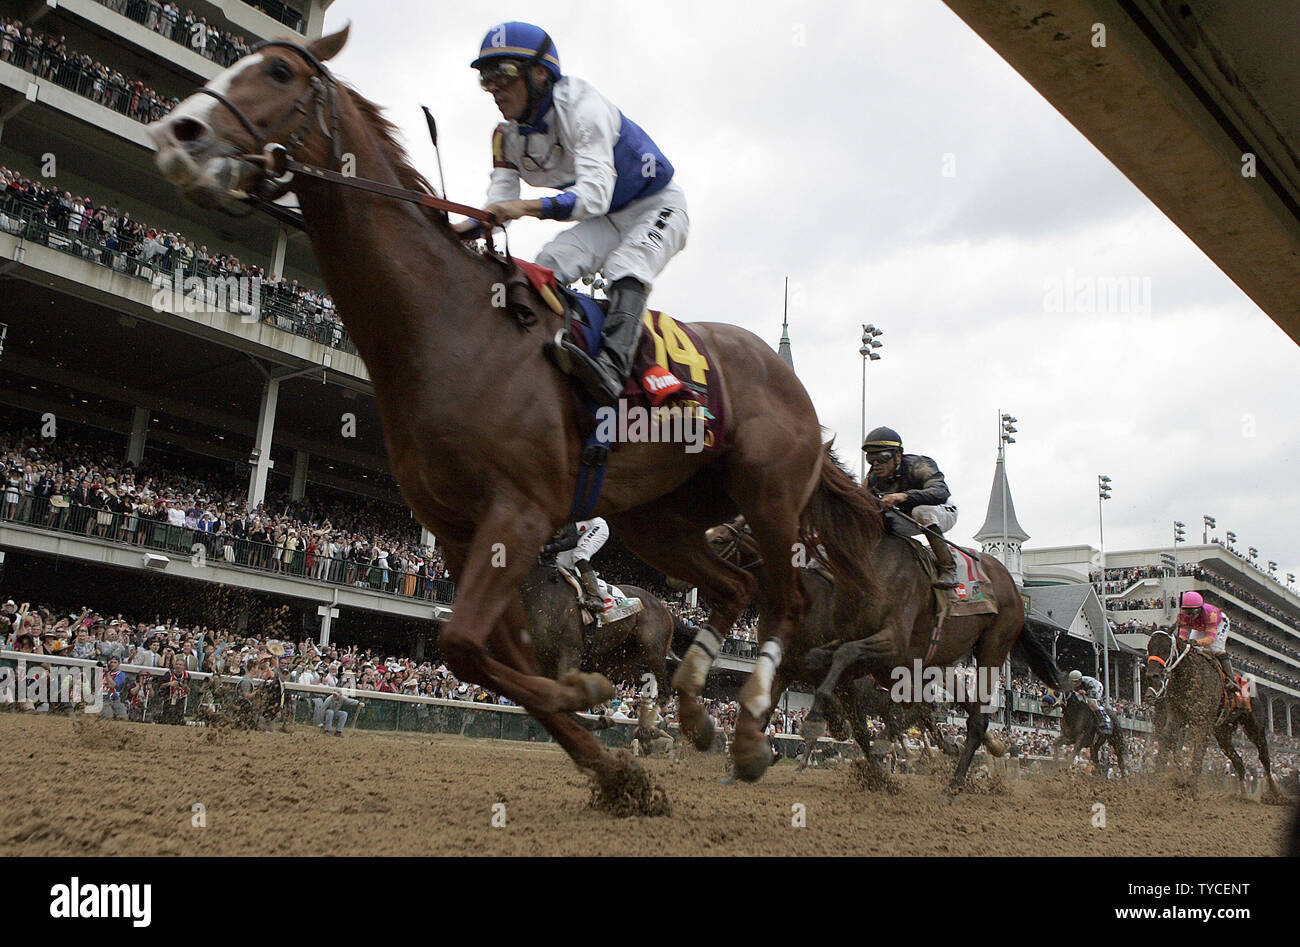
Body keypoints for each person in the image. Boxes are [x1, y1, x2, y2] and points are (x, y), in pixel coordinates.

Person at [455, 21, 689, 406]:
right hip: (608, 218)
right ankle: (553, 355)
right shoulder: (504, 136)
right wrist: (460, 230)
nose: (494, 88)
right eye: (486, 79)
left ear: (540, 74)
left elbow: (594, 196)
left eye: (504, 73)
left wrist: (523, 207)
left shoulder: (583, 107)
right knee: (548, 265)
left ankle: (616, 371)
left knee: (625, 266)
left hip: (657, 205)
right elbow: (498, 205)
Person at [862, 427, 959, 589]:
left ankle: (948, 569)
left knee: (921, 511)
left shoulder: (919, 465)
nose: (876, 464)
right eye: (871, 458)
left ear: (898, 456)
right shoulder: (872, 479)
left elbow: (940, 492)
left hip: (942, 511)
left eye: (882, 457)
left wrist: (903, 496)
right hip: (907, 517)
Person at [1174, 590, 1236, 696]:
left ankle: (1231, 680)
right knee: (1190, 650)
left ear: (1199, 610)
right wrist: (1183, 643)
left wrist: (1195, 642)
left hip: (1219, 623)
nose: (1189, 616)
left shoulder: (1210, 614)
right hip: (1200, 626)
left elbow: (1210, 639)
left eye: (1193, 613)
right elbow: (1182, 636)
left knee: (1216, 649)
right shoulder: (1182, 616)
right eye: (1187, 613)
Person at [541, 516, 610, 611]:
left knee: (579, 555)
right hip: (579, 534)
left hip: (597, 527)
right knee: (561, 565)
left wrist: (546, 549)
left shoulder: (563, 519)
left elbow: (571, 542)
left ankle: (596, 597)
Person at [1067, 669, 1112, 735]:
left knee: (1091, 702)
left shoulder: (1090, 682)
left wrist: (1085, 693)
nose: (1074, 684)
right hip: (1085, 690)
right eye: (1072, 682)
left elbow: (1093, 693)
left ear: (1080, 680)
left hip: (1096, 688)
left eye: (1075, 682)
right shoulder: (1070, 683)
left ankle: (1103, 720)